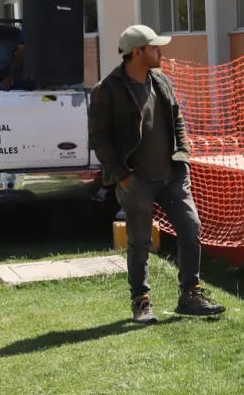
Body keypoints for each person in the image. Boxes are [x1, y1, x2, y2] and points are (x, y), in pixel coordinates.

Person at [89, 24, 225, 325]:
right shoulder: (106, 90)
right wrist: (124, 178)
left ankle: (191, 294)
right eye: (154, 47)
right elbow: (99, 140)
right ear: (137, 52)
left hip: (172, 175)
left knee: (191, 229)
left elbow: (177, 118)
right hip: (135, 180)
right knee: (140, 243)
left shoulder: (161, 81)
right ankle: (141, 302)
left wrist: (183, 157)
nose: (160, 51)